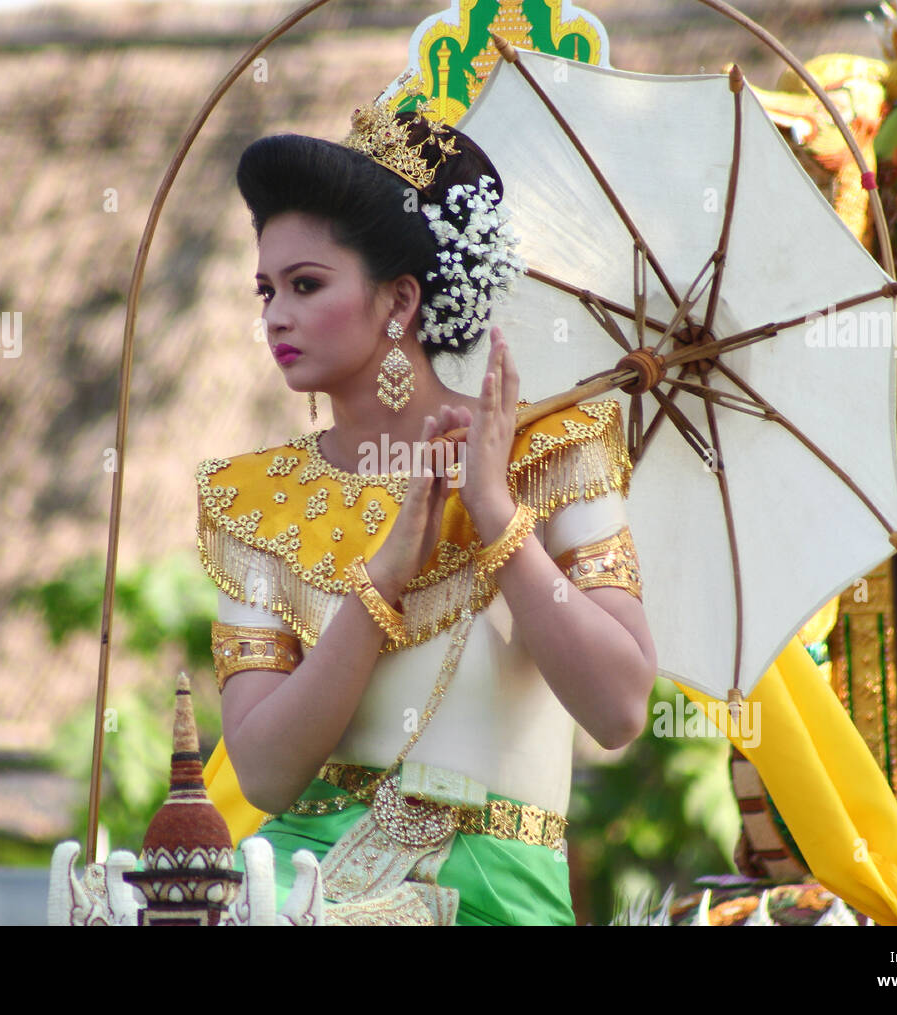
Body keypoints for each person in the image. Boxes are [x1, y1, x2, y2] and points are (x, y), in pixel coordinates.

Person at [195, 102, 657, 925]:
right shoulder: (257, 502)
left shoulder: (549, 453)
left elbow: (619, 706)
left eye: (306, 285)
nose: (275, 315)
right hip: (311, 892)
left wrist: (495, 516)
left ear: (399, 299)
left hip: (499, 898)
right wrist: (380, 586)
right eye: (267, 289)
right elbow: (264, 776)